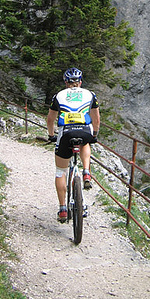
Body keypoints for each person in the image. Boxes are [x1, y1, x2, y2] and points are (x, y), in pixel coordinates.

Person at [47, 67, 100, 223]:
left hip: (66, 132)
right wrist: (94, 135)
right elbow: (96, 118)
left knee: (60, 171)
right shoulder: (90, 94)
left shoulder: (59, 95)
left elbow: (50, 119)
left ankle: (63, 209)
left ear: (66, 83)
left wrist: (51, 135)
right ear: (80, 82)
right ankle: (86, 171)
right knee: (86, 142)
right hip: (84, 130)